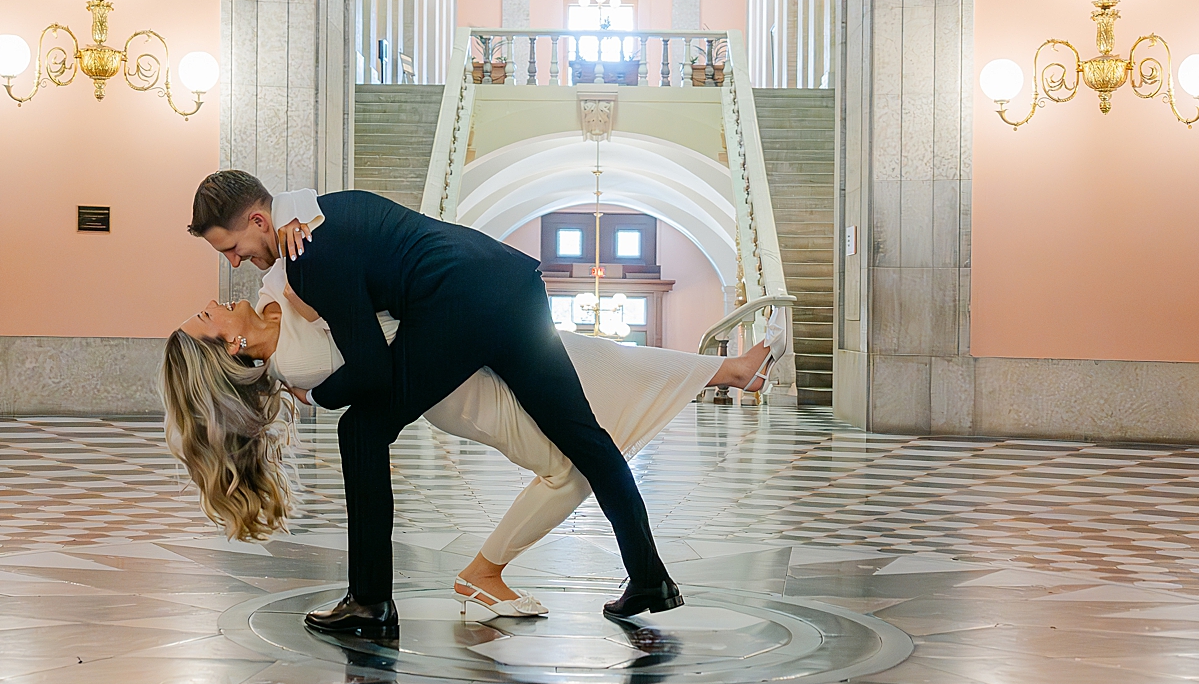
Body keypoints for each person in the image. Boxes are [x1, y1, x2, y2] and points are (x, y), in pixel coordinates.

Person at [185, 169, 683, 645]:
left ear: (256, 221)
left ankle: (370, 603)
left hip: (457, 304)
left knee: (360, 430)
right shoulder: (323, 216)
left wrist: (316, 395)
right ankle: (649, 578)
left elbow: (372, 370)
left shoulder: (310, 254)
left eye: (231, 249)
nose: (233, 262)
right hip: (514, 283)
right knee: (583, 436)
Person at [162, 291, 772, 614]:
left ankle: (730, 370)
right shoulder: (297, 360)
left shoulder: (275, 297)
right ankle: (483, 574)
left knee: (590, 353)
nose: (211, 300)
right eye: (203, 317)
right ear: (232, 345)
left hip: (469, 347)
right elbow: (366, 368)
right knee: (569, 471)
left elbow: (299, 236)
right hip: (460, 388)